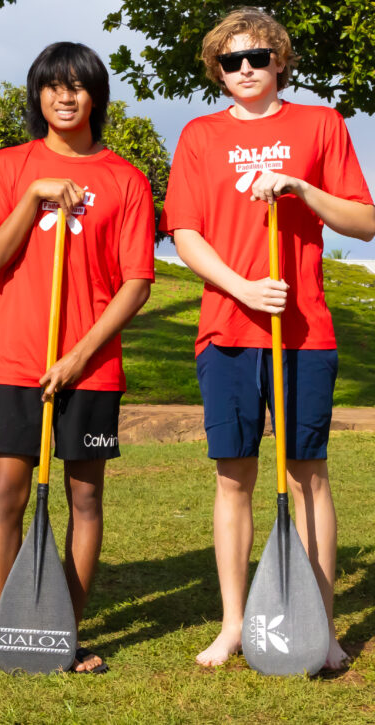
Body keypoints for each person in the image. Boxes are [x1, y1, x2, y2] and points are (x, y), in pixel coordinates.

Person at [161, 8, 375, 670]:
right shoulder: (199, 135)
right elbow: (186, 231)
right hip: (228, 329)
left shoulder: (320, 125)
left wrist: (302, 187)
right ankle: (233, 624)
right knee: (235, 476)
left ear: (280, 60)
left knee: (306, 473)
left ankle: (322, 629)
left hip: (303, 328)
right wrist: (243, 288)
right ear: (217, 69)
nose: (245, 69)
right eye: (231, 61)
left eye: (257, 57)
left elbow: (364, 222)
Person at [0, 42, 155, 679]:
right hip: (15, 362)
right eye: (51, 86)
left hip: (89, 367)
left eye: (77, 85)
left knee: (85, 496)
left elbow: (135, 282)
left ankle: (60, 633)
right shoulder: (9, 166)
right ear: (37, 96)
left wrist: (77, 355)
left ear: (95, 95)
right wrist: (33, 197)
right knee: (8, 496)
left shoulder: (127, 178)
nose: (64, 97)